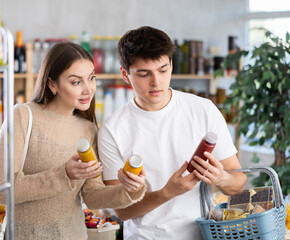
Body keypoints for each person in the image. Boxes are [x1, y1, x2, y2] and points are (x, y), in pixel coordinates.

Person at [98, 26, 247, 240]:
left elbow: (239, 182)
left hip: (204, 235)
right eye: (144, 74)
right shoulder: (113, 129)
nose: (156, 82)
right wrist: (168, 192)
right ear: (125, 74)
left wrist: (221, 178)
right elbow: (121, 211)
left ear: (171, 65)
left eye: (163, 69)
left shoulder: (203, 110)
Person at [0, 41, 146, 240]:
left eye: (91, 78)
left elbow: (92, 195)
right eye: (76, 82)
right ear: (52, 84)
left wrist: (129, 190)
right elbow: (3, 192)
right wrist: (63, 174)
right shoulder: (22, 117)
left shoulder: (87, 129)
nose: (88, 89)